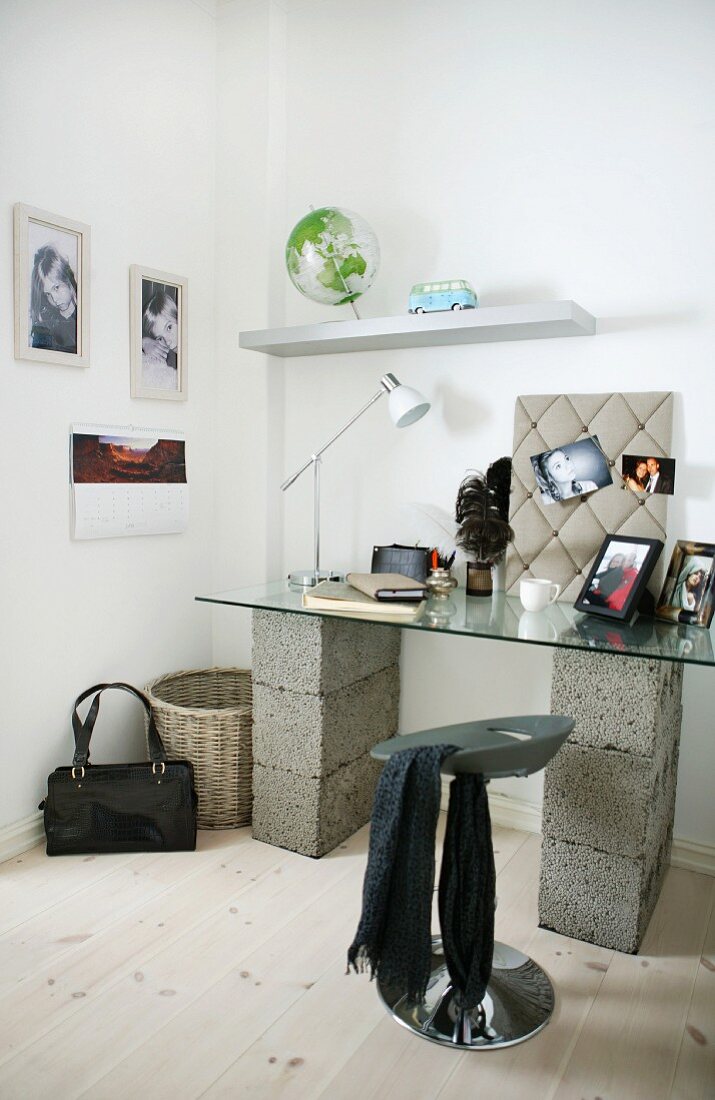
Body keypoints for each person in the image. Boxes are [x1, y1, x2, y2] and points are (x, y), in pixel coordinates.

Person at [30, 244, 78, 353]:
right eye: (47, 294)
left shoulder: (86, 319)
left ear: (68, 280)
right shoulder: (43, 327)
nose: (54, 299)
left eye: (56, 287)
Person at [141, 291, 179, 390]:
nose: (168, 341)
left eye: (169, 327)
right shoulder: (167, 355)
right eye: (160, 337)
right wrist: (144, 342)